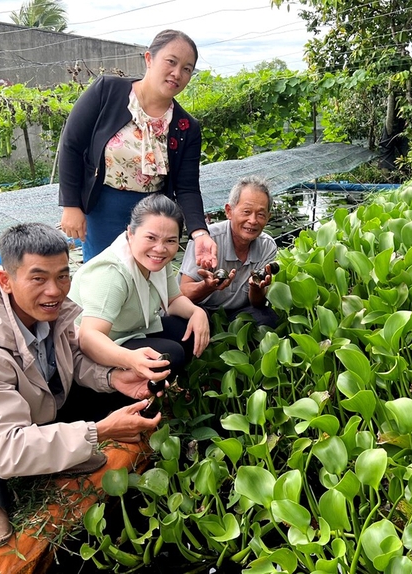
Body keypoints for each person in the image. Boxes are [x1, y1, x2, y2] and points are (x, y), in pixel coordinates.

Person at [0, 223, 163, 549]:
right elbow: (3, 448)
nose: (55, 290)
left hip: (32, 412)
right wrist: (99, 432)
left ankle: (59, 453)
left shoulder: (49, 314)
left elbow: (71, 357)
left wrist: (114, 378)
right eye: (38, 278)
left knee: (102, 388)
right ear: (7, 281)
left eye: (62, 276)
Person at [58, 29, 217, 269]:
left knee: (147, 285)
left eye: (187, 68)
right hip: (103, 209)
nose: (177, 73)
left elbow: (187, 188)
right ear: (149, 59)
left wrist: (200, 232)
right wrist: (71, 205)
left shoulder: (186, 127)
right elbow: (71, 145)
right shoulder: (107, 91)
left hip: (153, 220)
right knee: (103, 278)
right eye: (171, 62)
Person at [68, 194, 210, 381]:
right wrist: (131, 359)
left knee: (193, 327)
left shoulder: (157, 261)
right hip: (94, 348)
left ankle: (173, 387)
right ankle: (134, 399)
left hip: (132, 330)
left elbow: (173, 300)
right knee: (169, 355)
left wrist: (196, 312)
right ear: (131, 233)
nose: (160, 248)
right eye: (151, 238)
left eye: (170, 241)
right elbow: (88, 338)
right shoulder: (110, 273)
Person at [179, 175, 279, 328]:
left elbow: (257, 302)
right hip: (201, 308)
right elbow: (182, 292)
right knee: (180, 325)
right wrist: (207, 286)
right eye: (246, 212)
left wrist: (256, 287)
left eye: (260, 214)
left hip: (238, 312)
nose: (253, 221)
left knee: (268, 319)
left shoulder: (267, 245)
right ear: (229, 211)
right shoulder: (206, 239)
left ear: (268, 217)